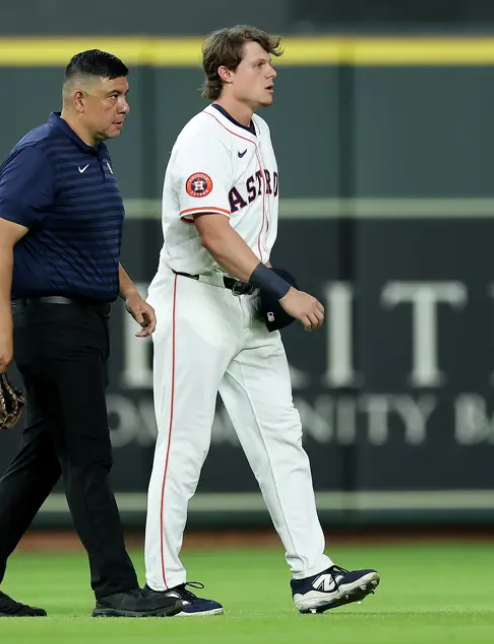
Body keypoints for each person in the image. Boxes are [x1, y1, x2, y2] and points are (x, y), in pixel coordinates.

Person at [140, 26, 380, 616]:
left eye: (270, 63)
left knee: (282, 441)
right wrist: (284, 291)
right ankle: (161, 583)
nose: (270, 72)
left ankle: (312, 575)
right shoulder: (202, 138)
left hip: (244, 305)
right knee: (183, 444)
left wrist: (266, 285)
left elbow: (247, 234)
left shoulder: (260, 130)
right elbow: (215, 234)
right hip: (192, 299)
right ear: (226, 73)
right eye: (257, 64)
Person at [0, 49, 183, 619]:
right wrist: (2, 331)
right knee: (88, 455)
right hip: (51, 324)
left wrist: (127, 291)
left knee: (45, 458)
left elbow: (84, 238)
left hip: (82, 318)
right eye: (113, 96)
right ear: (79, 99)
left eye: (125, 95)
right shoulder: (41, 154)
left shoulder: (92, 154)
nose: (124, 107)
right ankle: (116, 589)